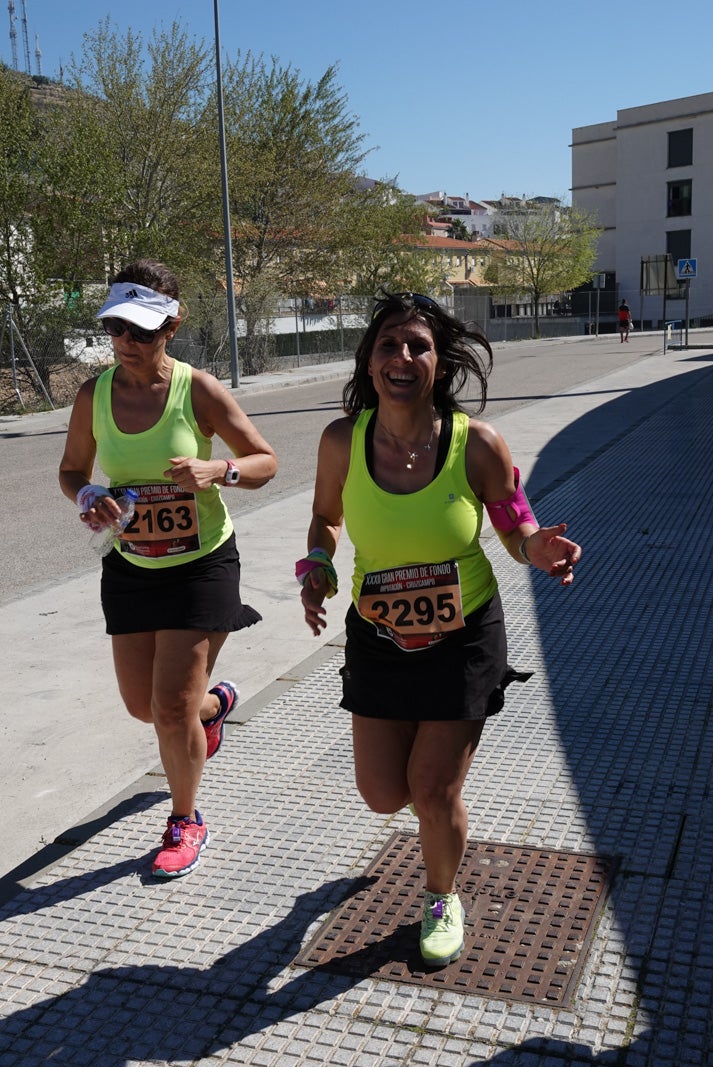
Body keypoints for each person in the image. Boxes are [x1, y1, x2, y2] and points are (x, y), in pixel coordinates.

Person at [298, 291, 581, 968]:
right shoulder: (342, 440)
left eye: (417, 346)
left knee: (431, 791)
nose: (402, 357)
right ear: (369, 361)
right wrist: (316, 564)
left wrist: (534, 544)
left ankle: (439, 897)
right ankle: (433, 847)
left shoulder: (475, 442)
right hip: (378, 638)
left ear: (439, 362)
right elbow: (325, 517)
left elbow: (514, 519)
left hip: (463, 639)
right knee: (381, 794)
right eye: (389, 344)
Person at [59, 259, 278, 878]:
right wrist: (87, 497)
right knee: (144, 706)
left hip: (201, 566)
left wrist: (219, 471)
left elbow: (265, 460)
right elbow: (72, 469)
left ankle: (186, 820)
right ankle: (213, 707)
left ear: (172, 327)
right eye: (117, 329)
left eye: (143, 331)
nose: (127, 343)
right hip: (131, 564)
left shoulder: (198, 389)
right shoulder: (94, 393)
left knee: (168, 711)